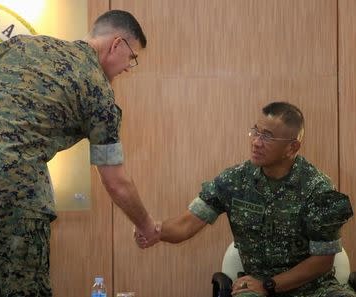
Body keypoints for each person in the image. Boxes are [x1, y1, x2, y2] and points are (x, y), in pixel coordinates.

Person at [0, 10, 159, 297]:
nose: (129, 67)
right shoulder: (98, 92)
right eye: (132, 57)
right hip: (16, 196)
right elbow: (116, 182)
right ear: (117, 44)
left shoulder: (21, 44)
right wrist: (145, 225)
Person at [136, 102, 355, 297]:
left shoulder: (319, 189)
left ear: (292, 147)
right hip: (255, 287)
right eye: (255, 132)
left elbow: (323, 261)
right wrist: (155, 230)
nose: (256, 142)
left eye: (267, 136)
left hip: (313, 289)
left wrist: (270, 285)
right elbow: (186, 224)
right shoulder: (235, 180)